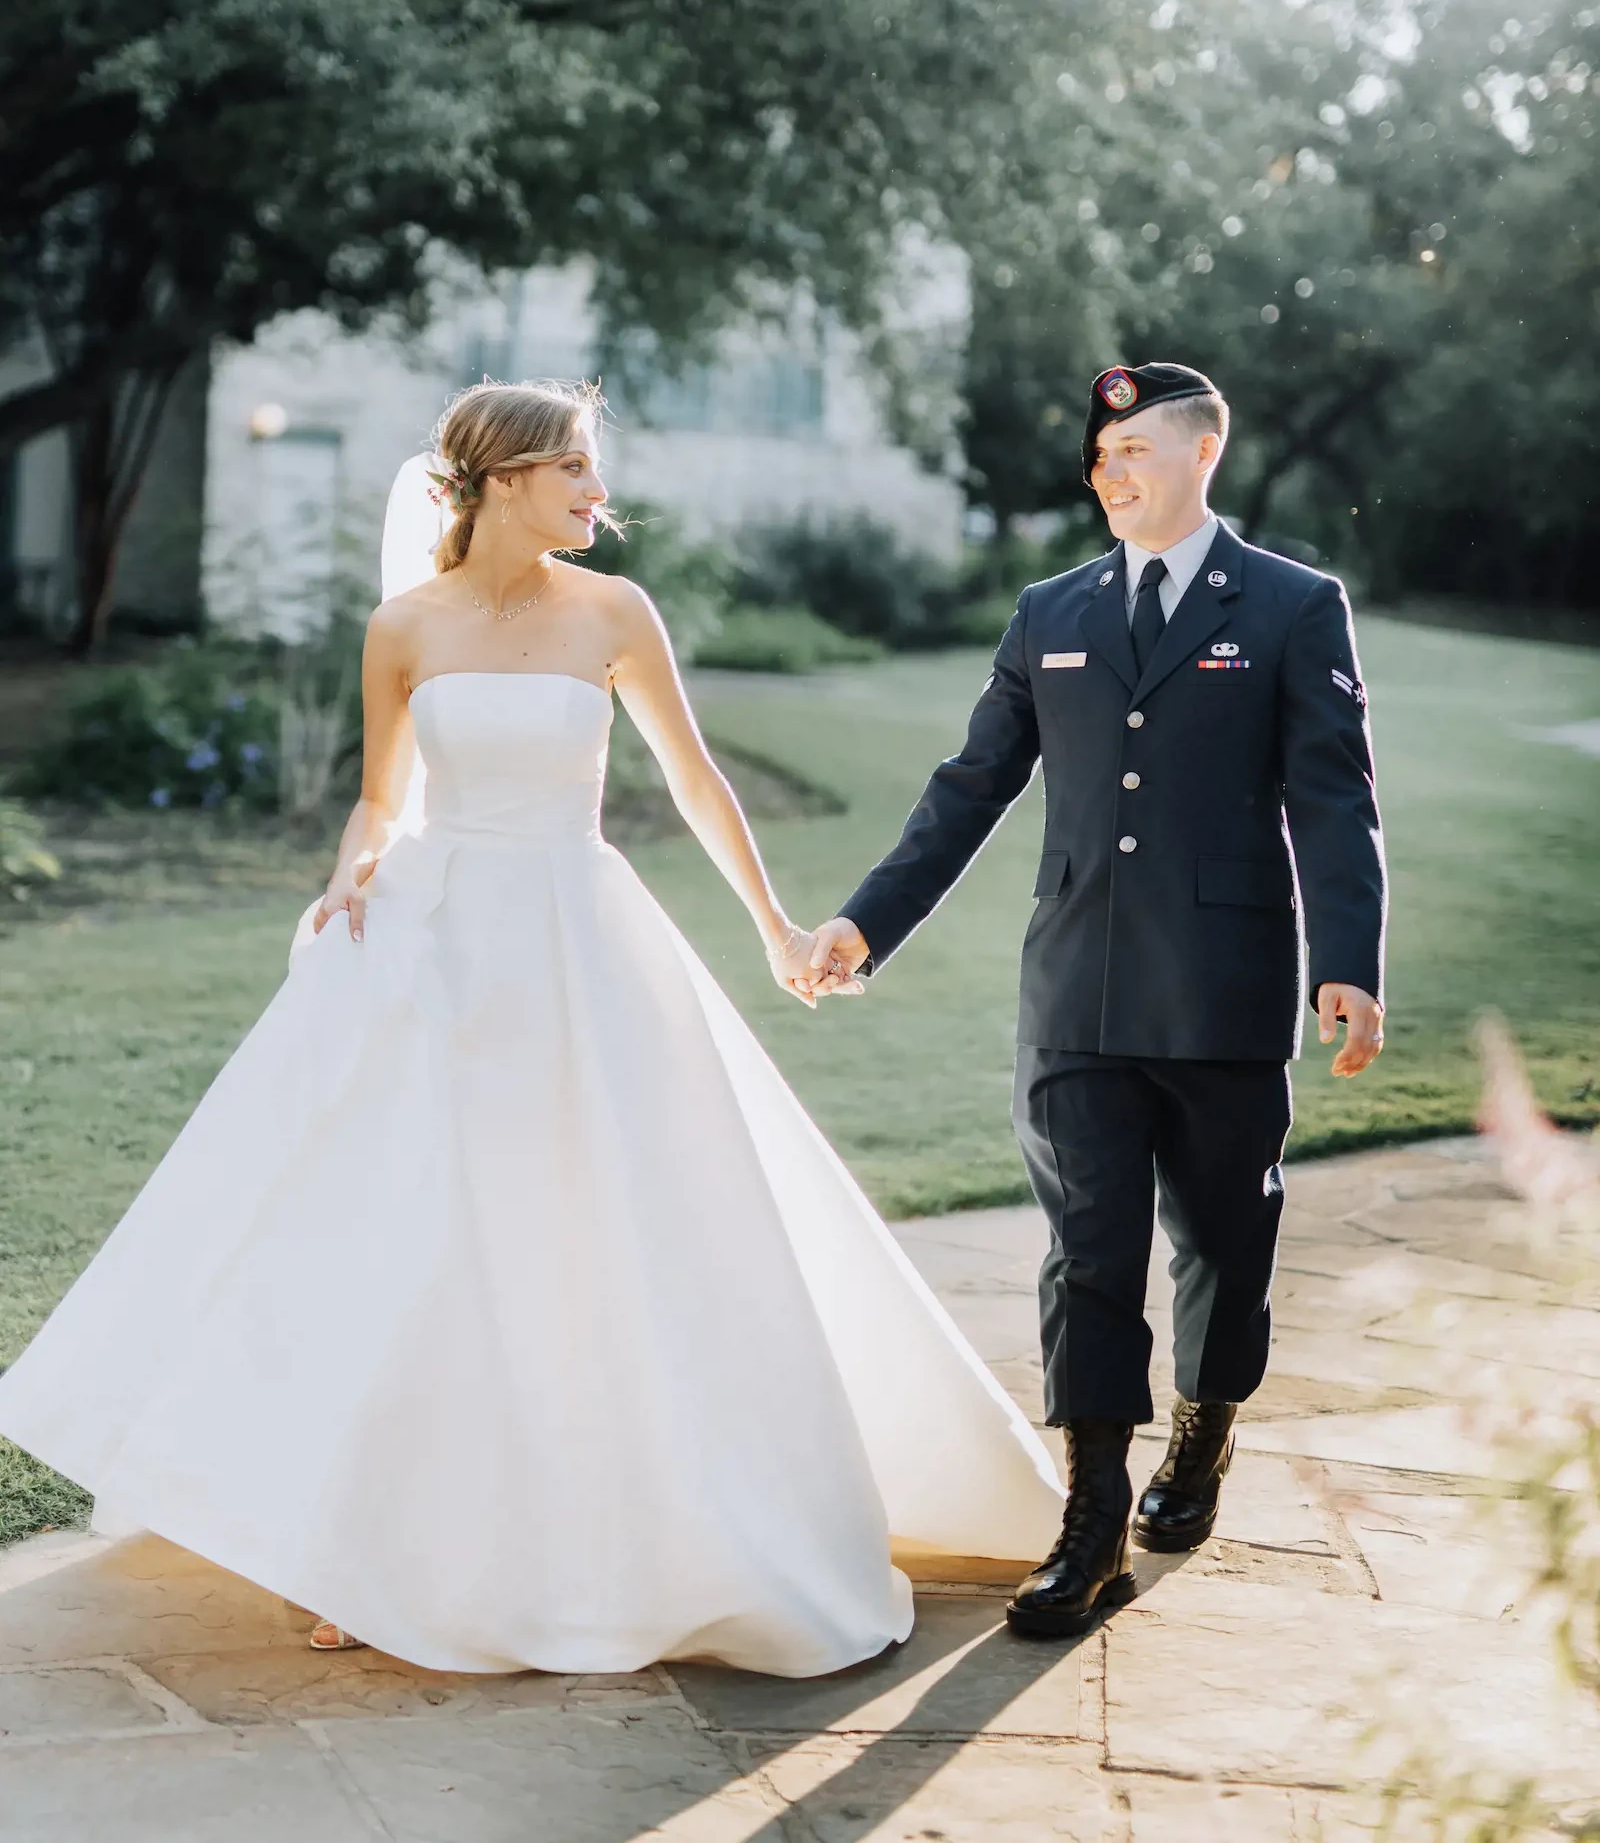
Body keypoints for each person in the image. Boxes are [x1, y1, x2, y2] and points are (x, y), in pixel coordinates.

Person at [0, 378, 1064, 1678]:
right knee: (412, 1235)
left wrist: (778, 928)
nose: (597, 494)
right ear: (503, 479)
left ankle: (626, 1534)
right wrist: (346, 875)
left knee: (589, 1231)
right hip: (435, 950)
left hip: (576, 941)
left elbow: (694, 779)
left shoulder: (613, 613)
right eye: (574, 469)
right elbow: (380, 798)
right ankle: (364, 1549)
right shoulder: (403, 626)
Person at [805, 362, 1387, 1639]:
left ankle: (1205, 1423)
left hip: (1223, 987)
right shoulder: (1050, 611)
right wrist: (865, 920)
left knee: (1224, 1241)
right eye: (1101, 457)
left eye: (1135, 451)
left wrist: (1348, 959)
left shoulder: (1291, 605)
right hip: (1074, 987)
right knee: (1089, 1252)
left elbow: (1331, 795)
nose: (1110, 473)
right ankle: (1091, 1518)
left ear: (1202, 452)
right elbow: (970, 787)